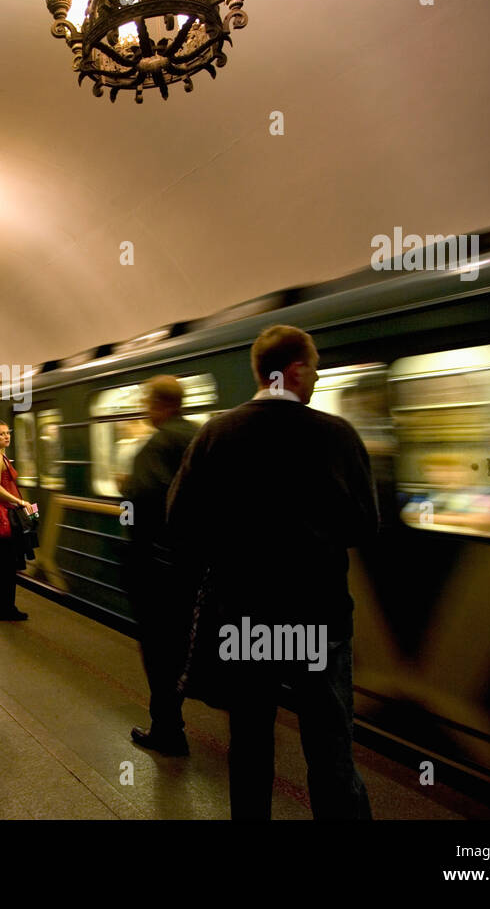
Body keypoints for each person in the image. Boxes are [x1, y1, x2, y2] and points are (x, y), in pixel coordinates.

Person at [167, 325, 378, 820]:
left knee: (251, 745)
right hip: (317, 620)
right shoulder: (336, 435)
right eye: (317, 367)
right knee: (330, 750)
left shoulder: (215, 435)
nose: (319, 377)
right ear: (297, 370)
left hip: (246, 619)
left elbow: (179, 523)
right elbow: (364, 526)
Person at [120, 376, 199, 756]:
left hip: (159, 570)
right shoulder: (202, 437)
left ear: (158, 405)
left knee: (159, 650)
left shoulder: (152, 448)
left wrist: (126, 491)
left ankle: (167, 728)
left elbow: (139, 512)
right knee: (189, 641)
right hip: (198, 567)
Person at [0, 419, 32, 621]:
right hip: (3, 514)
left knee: (2, 563)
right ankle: (6, 608)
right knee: (7, 564)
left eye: (7, 433)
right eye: (1, 433)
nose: (6, 436)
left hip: (1, 511)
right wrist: (20, 501)